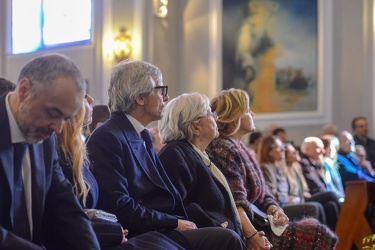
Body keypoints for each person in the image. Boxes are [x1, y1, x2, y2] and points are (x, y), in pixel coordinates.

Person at [86, 60, 247, 250]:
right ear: (140, 97)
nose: (167, 96)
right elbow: (120, 206)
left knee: (227, 235)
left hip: (161, 229)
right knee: (227, 239)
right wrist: (173, 223)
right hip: (143, 235)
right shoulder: (108, 137)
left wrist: (196, 221)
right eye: (160, 90)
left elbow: (169, 199)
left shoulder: (142, 134)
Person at [206, 88, 338, 249]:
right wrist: (253, 236)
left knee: (317, 228)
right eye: (248, 111)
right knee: (317, 233)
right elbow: (236, 202)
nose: (253, 114)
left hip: (259, 219)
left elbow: (263, 195)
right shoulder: (222, 147)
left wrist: (275, 209)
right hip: (250, 226)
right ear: (235, 119)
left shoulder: (240, 148)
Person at [55, 95, 186, 250]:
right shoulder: (105, 137)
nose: (91, 99)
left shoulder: (75, 150)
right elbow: (62, 215)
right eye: (82, 93)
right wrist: (109, 231)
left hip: (104, 234)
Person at [0, 53, 100, 249]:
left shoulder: (46, 141)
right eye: (53, 113)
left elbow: (64, 205)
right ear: (24, 91)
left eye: (65, 118)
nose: (58, 128)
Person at [158, 92, 272, 250]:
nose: (216, 118)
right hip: (216, 238)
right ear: (195, 128)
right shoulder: (174, 154)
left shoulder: (197, 154)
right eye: (210, 113)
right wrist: (214, 224)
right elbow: (176, 206)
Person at [258, 135, 326, 223]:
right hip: (278, 207)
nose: (283, 150)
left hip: (286, 202)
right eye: (279, 147)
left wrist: (294, 198)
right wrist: (288, 198)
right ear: (268, 151)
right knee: (314, 207)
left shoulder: (278, 166)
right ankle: (315, 235)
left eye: (282, 147)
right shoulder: (266, 168)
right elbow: (270, 194)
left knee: (320, 206)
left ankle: (324, 234)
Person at [299, 137, 341, 230]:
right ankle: (345, 228)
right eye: (318, 148)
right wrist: (326, 194)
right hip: (309, 196)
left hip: (318, 195)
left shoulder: (316, 163)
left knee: (331, 205)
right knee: (332, 195)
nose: (323, 151)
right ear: (307, 150)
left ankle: (337, 235)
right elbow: (314, 185)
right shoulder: (303, 163)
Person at [320, 134, 345, 203]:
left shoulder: (332, 164)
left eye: (335, 147)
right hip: (336, 198)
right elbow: (329, 184)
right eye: (331, 147)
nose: (333, 150)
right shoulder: (325, 164)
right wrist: (341, 197)